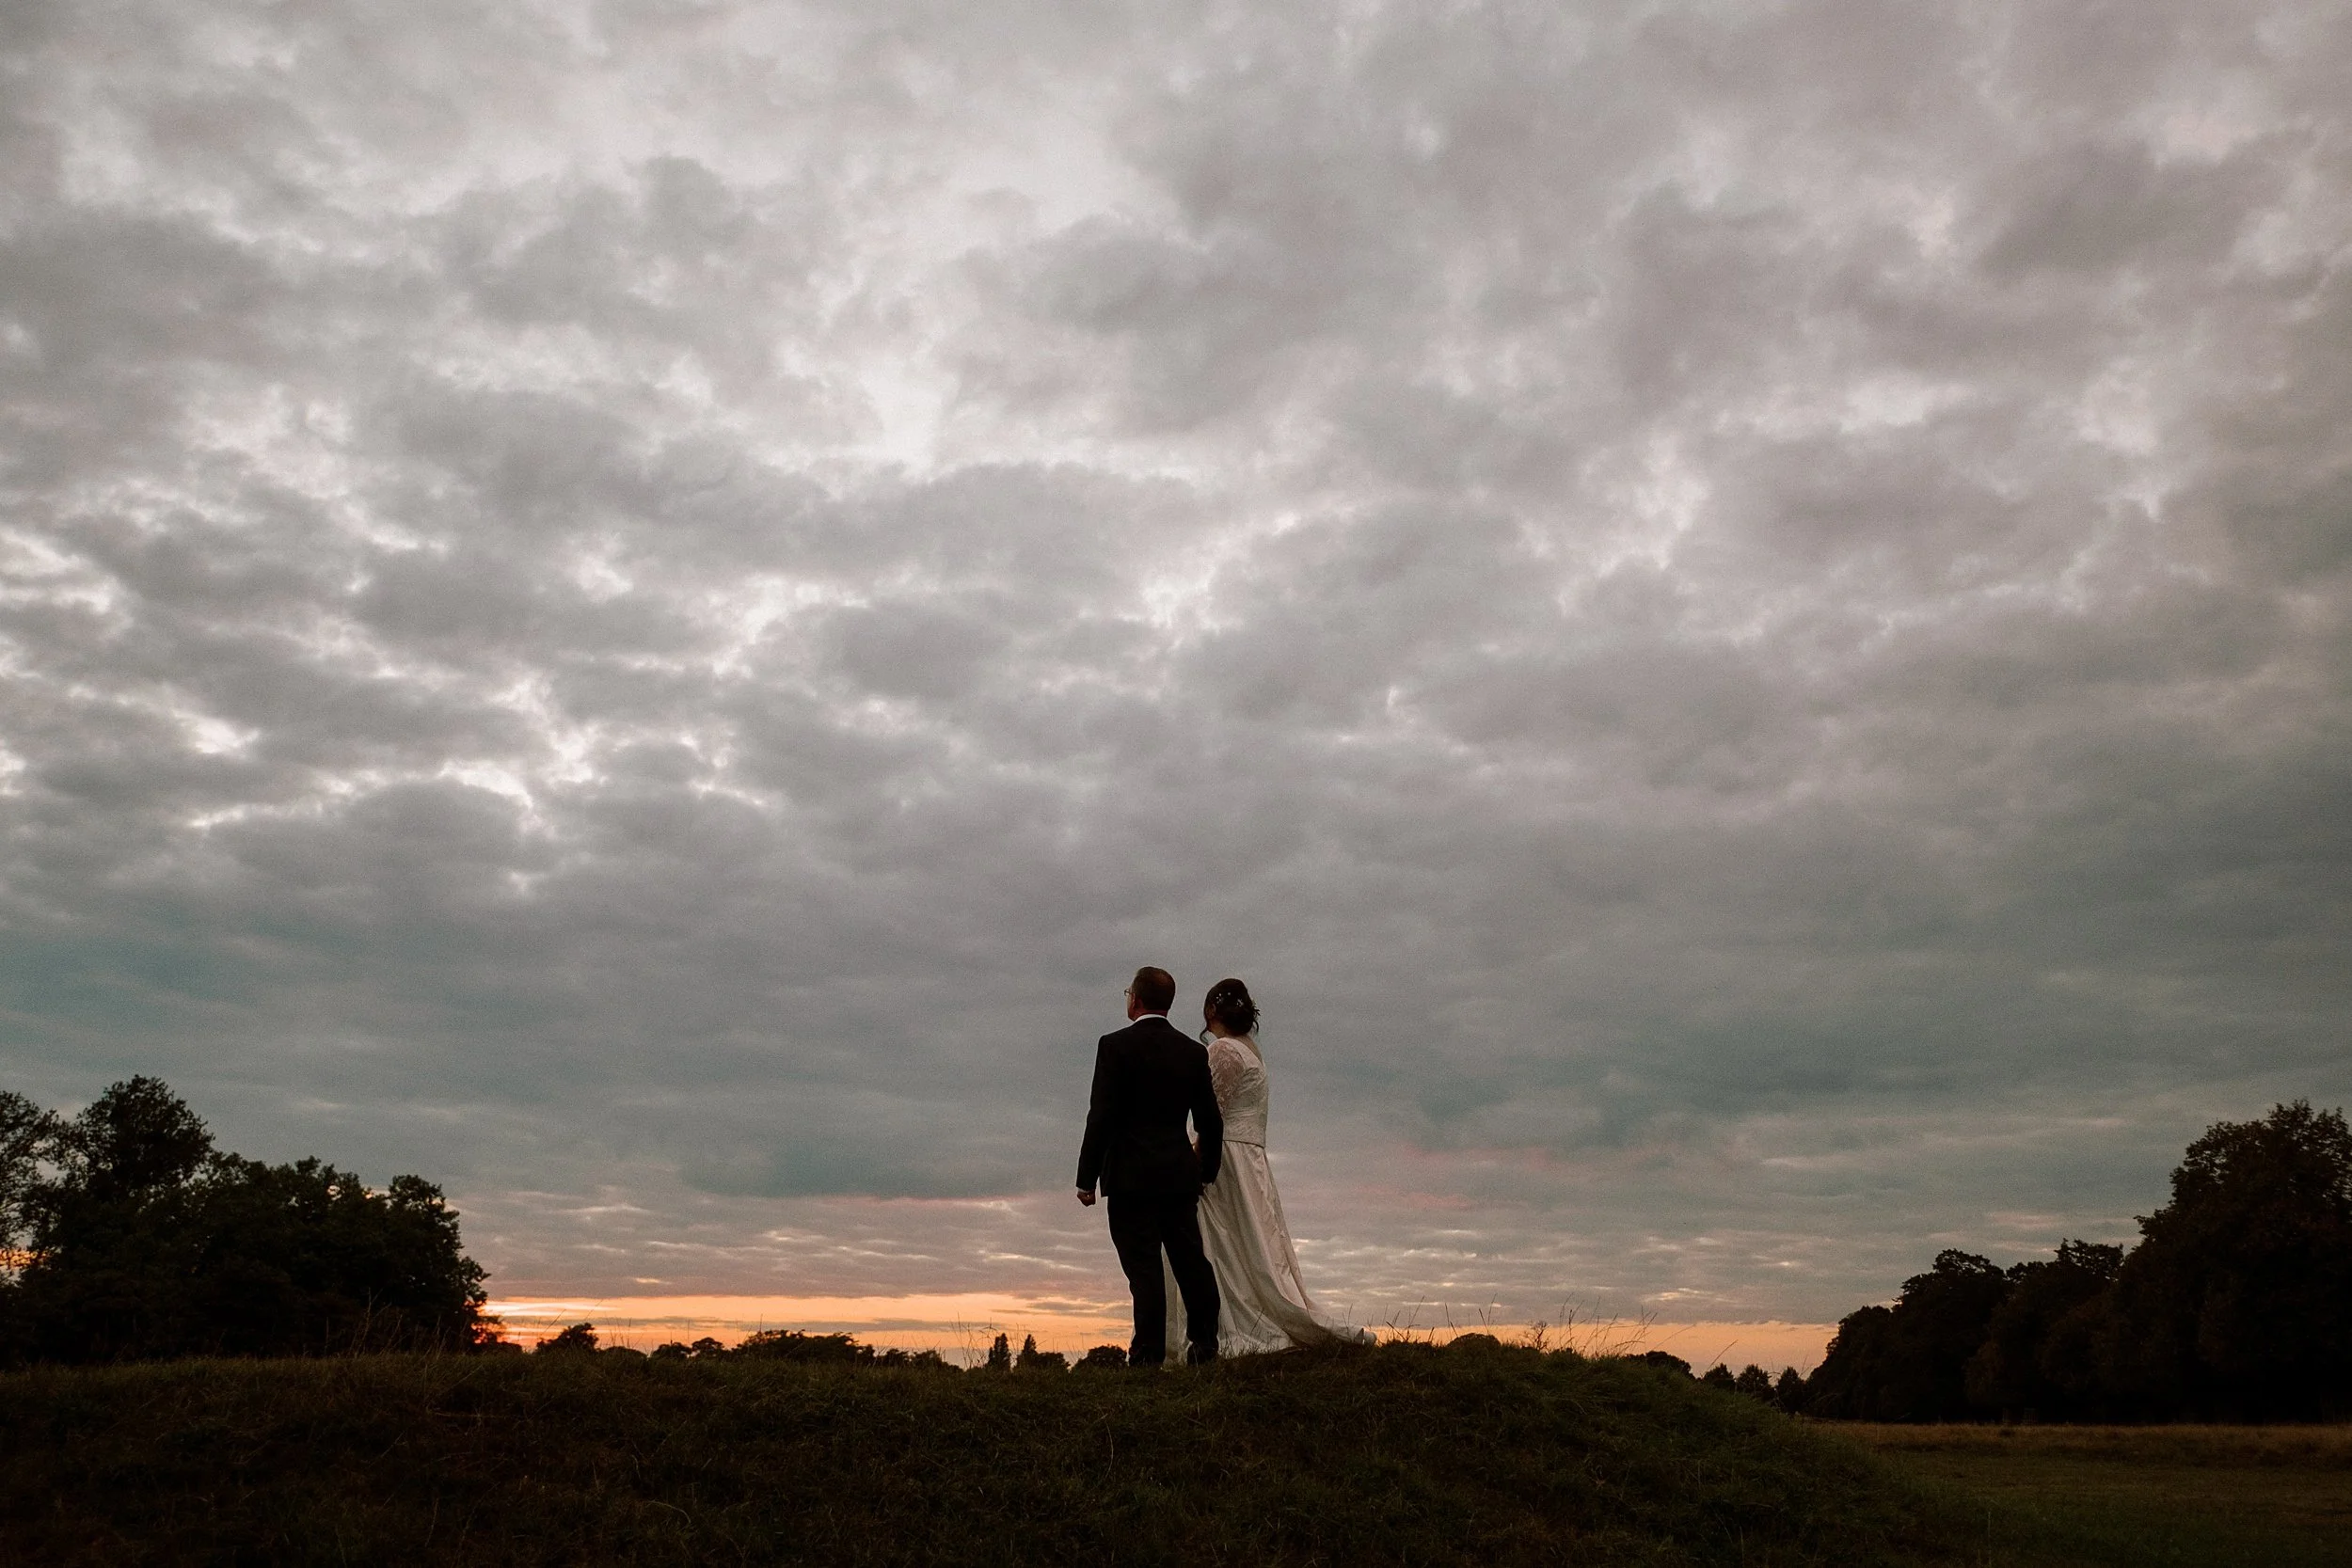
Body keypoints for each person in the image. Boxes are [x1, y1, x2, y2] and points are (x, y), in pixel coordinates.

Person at [1165, 978, 1373, 1354]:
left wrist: (1192, 1159)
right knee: (1251, 1240)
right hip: (1251, 1158)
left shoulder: (1224, 1051)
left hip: (1227, 1157)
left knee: (1222, 1241)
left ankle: (1232, 1326)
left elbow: (1213, 1115)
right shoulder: (1252, 1051)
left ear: (1212, 1010)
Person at [1075, 965, 1224, 1366]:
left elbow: (1100, 1116)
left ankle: (1148, 1356)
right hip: (1177, 1176)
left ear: (1136, 1000)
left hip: (1128, 1178)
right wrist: (1205, 1171)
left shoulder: (1114, 1046)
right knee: (1191, 1262)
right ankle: (1205, 1345)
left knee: (1143, 1271)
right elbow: (1210, 1121)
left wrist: (1086, 1178)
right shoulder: (1192, 1052)